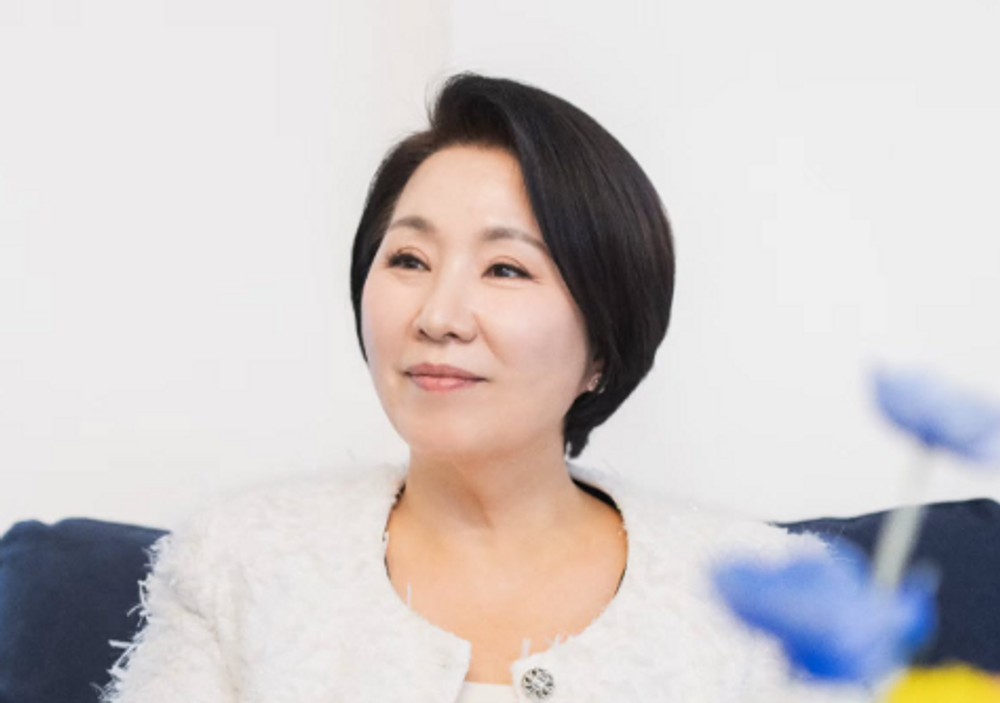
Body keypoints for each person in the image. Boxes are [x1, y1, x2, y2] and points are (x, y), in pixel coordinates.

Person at [99, 73, 823, 703]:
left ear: (603, 344)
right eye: (409, 259)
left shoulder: (764, 599)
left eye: (506, 269)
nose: (438, 316)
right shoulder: (236, 564)